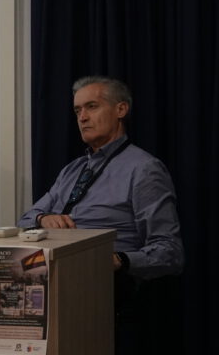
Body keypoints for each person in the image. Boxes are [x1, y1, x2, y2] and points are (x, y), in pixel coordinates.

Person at [18, 76, 184, 281]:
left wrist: (117, 260)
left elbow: (170, 251)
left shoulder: (144, 169)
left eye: (92, 107)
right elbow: (24, 220)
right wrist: (43, 218)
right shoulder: (72, 170)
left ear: (121, 110)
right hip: (50, 271)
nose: (82, 118)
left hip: (101, 278)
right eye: (77, 110)